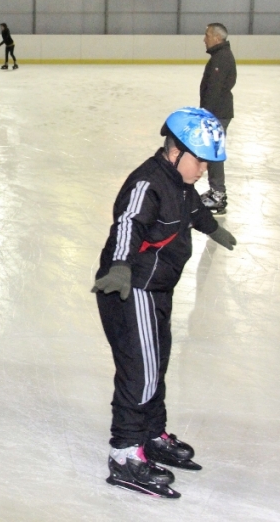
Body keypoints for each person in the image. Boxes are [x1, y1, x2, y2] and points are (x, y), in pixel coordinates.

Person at [93, 107, 237, 499]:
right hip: (130, 287)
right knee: (140, 371)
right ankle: (124, 453)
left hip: (157, 288)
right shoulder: (147, 183)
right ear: (176, 151)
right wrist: (121, 267)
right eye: (200, 160)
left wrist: (212, 229)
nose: (204, 168)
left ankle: (151, 434)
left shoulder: (180, 182)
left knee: (157, 362)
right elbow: (127, 224)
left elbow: (191, 208)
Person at [198, 22, 236, 215]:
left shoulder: (220, 59)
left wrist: (205, 115)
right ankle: (216, 192)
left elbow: (213, 91)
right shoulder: (220, 56)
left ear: (217, 38)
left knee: (214, 154)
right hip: (217, 113)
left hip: (217, 114)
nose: (204, 39)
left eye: (207, 35)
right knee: (212, 153)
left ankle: (218, 195)